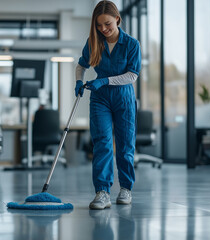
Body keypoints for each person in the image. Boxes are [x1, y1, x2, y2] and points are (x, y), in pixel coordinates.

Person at [75, 0, 141, 210]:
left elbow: (132, 75)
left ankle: (126, 189)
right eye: (99, 25)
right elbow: (81, 66)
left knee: (124, 145)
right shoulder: (93, 41)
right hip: (100, 99)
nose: (103, 29)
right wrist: (78, 80)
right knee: (102, 142)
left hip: (123, 98)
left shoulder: (131, 44)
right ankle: (102, 192)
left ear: (118, 20)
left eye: (108, 24)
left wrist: (105, 80)